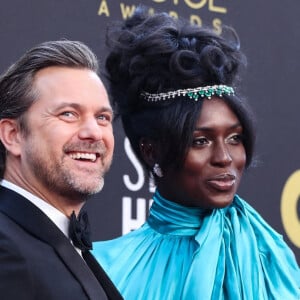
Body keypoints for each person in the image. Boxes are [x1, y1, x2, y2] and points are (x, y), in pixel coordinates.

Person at [92, 7, 300, 300]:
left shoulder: (271, 255)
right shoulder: (104, 269)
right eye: (201, 141)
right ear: (151, 152)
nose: (225, 158)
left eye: (235, 137)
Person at [0, 40, 123, 299]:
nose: (93, 132)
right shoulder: (6, 247)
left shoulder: (65, 242)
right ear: (13, 135)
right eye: (68, 114)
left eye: (102, 117)